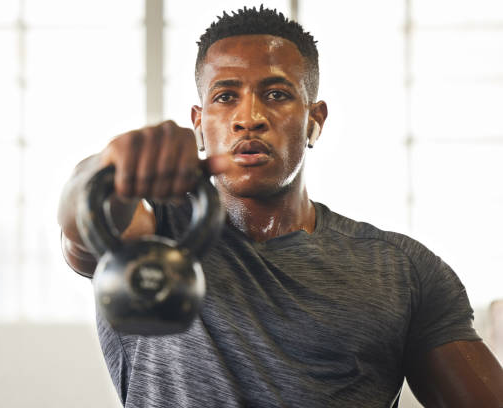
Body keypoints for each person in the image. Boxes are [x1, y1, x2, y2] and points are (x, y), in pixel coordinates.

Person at [57, 6, 503, 407]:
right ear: (199, 123)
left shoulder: (404, 272)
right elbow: (84, 222)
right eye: (225, 96)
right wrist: (110, 168)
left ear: (315, 119)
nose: (248, 116)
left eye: (276, 94)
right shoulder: (153, 233)